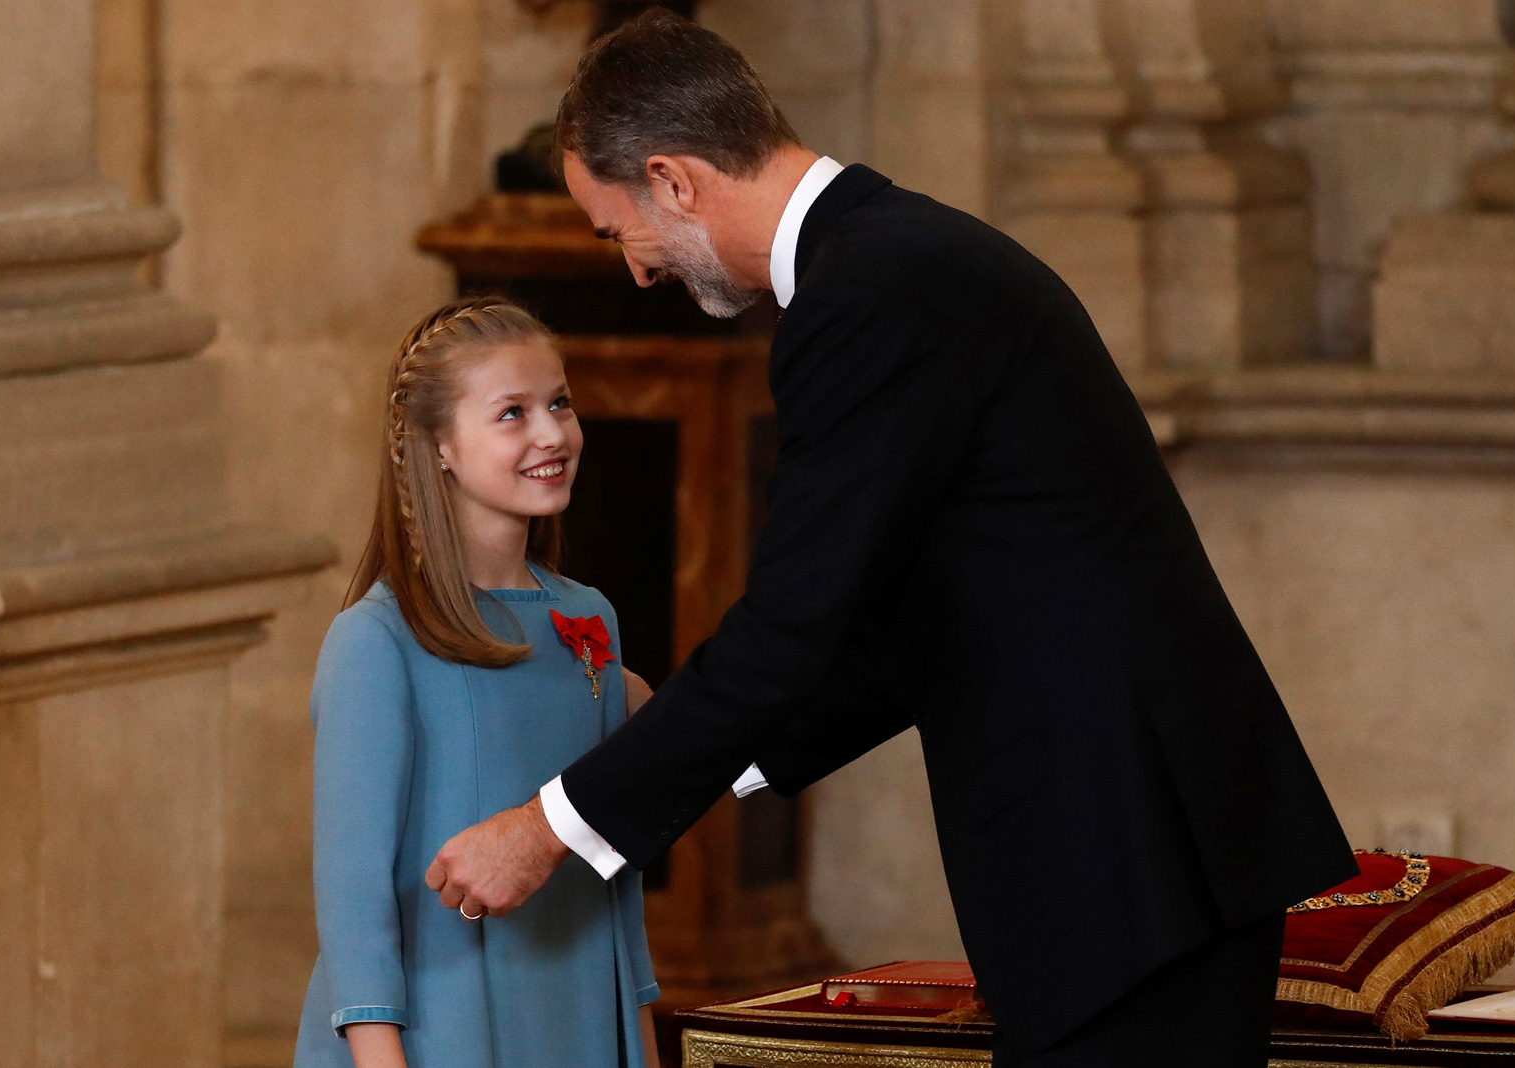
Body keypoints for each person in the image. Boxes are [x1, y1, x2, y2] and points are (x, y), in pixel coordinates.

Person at [424, 13, 1359, 1067]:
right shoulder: (892, 255)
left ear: (674, 180)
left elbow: (791, 627)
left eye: (615, 231)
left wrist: (547, 830)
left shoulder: (861, 296)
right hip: (1145, 845)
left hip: (1123, 850)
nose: (635, 271)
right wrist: (697, 752)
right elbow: (901, 626)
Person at [294, 298, 662, 1068]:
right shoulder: (376, 640)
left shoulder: (588, 619)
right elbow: (354, 906)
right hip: (440, 1030)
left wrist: (641, 1039)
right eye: (512, 413)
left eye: (559, 402)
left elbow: (611, 863)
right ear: (440, 448)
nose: (551, 434)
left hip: (579, 1016)